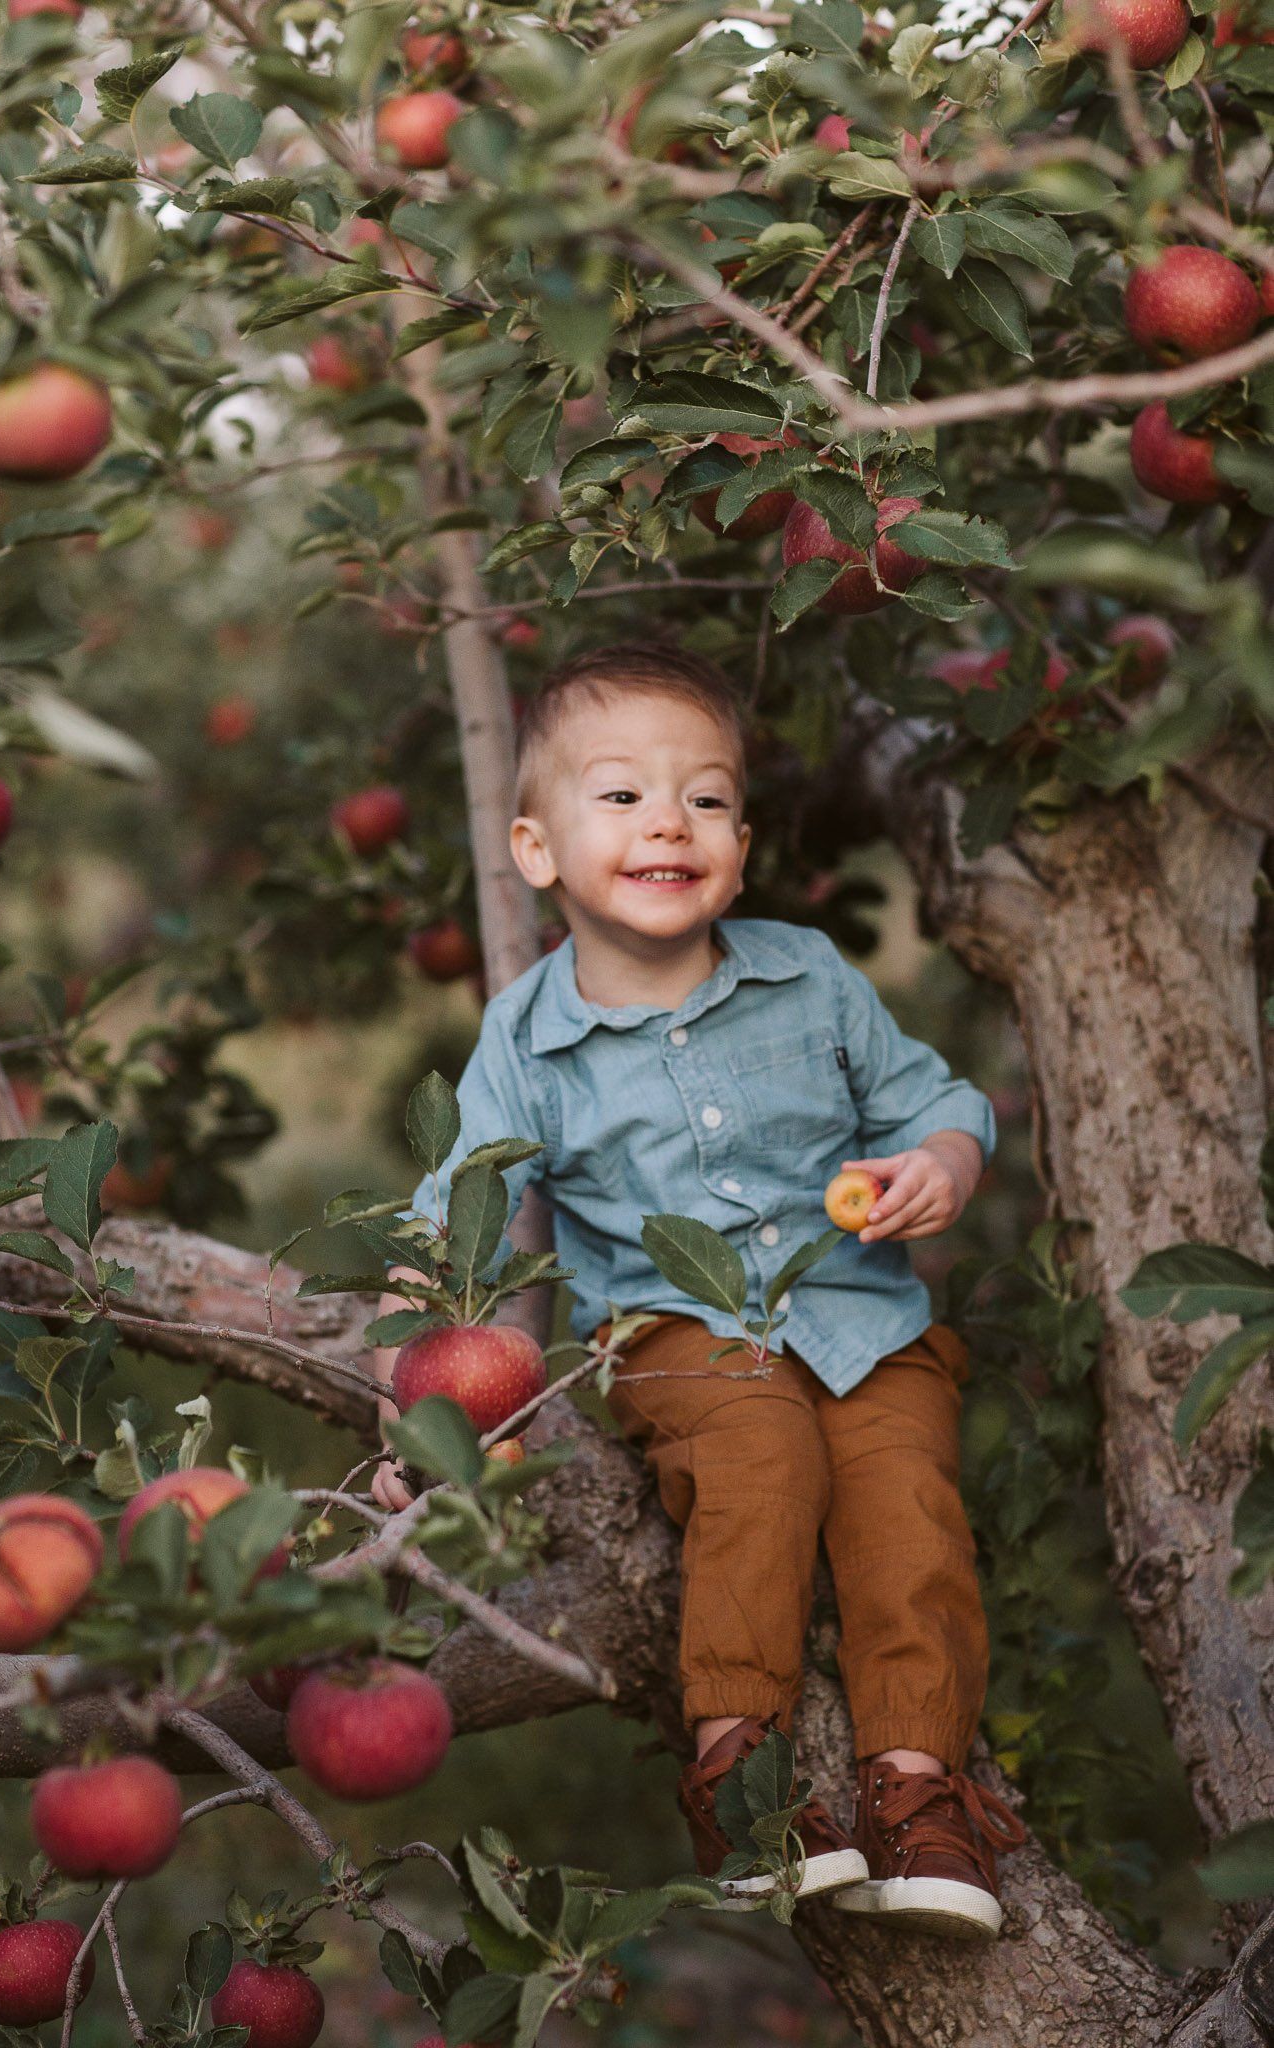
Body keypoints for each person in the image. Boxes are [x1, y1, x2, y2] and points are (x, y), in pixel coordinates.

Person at [369, 641, 1025, 1938]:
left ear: (739, 840)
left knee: (909, 1516)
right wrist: (424, 1415)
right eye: (620, 796)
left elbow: (931, 1098)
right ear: (536, 850)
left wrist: (943, 1157)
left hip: (864, 1319)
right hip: (675, 1331)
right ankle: (747, 1778)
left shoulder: (810, 975)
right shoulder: (526, 1038)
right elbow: (465, 1219)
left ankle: (915, 1790)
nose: (670, 819)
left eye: (706, 798)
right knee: (761, 1459)